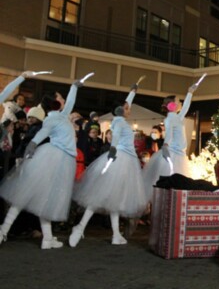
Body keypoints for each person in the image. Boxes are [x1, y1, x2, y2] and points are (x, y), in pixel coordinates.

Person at [0, 74, 91, 249]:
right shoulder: (52, 119)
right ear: (55, 103)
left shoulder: (62, 116)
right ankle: (4, 229)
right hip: (53, 159)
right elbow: (42, 134)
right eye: (60, 97)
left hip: (62, 160)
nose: (64, 99)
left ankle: (47, 237)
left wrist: (74, 87)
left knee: (45, 198)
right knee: (28, 194)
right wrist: (32, 145)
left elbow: (70, 103)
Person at [69, 82, 147, 247]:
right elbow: (116, 136)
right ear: (120, 110)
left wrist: (132, 92)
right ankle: (81, 226)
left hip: (123, 160)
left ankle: (115, 234)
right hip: (120, 160)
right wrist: (112, 150)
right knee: (101, 196)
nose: (129, 109)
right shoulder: (119, 122)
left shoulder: (119, 119)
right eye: (127, 108)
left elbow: (124, 106)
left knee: (113, 199)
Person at [142, 84, 198, 202]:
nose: (181, 103)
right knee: (172, 183)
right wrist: (166, 146)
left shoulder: (177, 117)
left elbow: (186, 107)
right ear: (172, 105)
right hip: (173, 154)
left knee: (177, 185)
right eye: (178, 101)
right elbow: (169, 136)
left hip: (179, 153)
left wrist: (190, 92)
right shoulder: (169, 119)